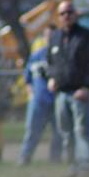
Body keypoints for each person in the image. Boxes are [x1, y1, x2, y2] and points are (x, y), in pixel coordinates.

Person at [47, 0, 89, 177]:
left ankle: (86, 169)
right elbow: (50, 61)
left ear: (75, 14)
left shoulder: (87, 37)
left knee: (82, 131)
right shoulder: (55, 37)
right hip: (61, 93)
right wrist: (51, 77)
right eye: (62, 13)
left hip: (79, 92)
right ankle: (72, 168)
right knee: (66, 132)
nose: (66, 16)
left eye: (69, 12)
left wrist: (87, 86)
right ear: (58, 17)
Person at [19, 24, 62, 165]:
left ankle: (55, 160)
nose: (49, 38)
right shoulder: (36, 56)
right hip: (38, 101)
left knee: (58, 133)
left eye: (52, 36)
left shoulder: (61, 55)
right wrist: (30, 91)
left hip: (56, 100)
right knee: (32, 131)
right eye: (47, 35)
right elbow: (28, 78)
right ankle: (25, 158)